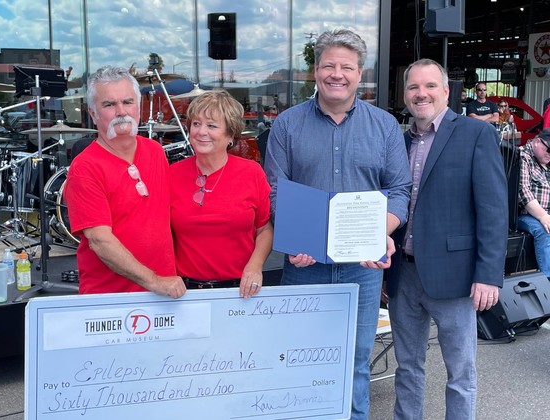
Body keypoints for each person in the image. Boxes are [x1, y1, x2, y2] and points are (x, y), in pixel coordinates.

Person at [264, 29, 412, 419]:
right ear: (315, 70)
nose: (337, 74)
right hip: (304, 265)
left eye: (347, 67)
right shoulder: (287, 125)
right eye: (329, 65)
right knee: (299, 356)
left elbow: (399, 189)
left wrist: (380, 231)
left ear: (360, 73)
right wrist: (294, 238)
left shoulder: (384, 126)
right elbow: (275, 190)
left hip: (362, 268)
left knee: (356, 358)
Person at [385, 59, 508, 419]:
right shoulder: (398, 140)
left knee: (460, 373)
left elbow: (493, 209)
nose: (421, 94)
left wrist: (488, 274)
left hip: (456, 275)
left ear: (445, 91)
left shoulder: (475, 134)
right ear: (405, 94)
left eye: (429, 86)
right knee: (408, 367)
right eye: (413, 87)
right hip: (403, 274)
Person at [64, 65, 186, 298]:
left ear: (139, 107)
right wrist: (155, 281)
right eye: (109, 104)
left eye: (128, 102)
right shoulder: (85, 168)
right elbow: (100, 240)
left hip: (164, 294)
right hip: (110, 299)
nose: (121, 111)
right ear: (93, 114)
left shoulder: (155, 151)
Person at [170, 90, 273, 298]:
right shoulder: (171, 174)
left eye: (211, 125)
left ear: (230, 135)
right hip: (184, 294)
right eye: (196, 124)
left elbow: (265, 229)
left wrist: (255, 266)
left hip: (240, 292)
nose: (201, 132)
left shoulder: (251, 173)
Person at [517, 129, 550, 278]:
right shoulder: (522, 156)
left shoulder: (546, 161)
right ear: (537, 141)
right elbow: (523, 191)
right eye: (549, 150)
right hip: (525, 214)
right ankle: (548, 279)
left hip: (545, 212)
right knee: (544, 230)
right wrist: (543, 216)